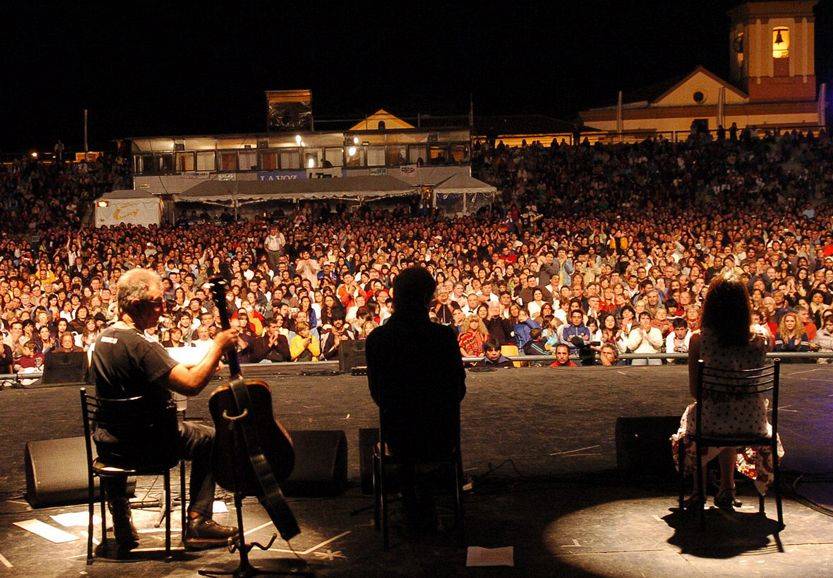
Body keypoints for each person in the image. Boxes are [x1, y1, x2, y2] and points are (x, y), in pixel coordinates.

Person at [89, 268, 239, 553]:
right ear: (136, 305)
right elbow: (191, 385)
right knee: (210, 438)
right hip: (150, 446)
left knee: (124, 426)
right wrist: (218, 346)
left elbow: (156, 370)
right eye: (157, 302)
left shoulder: (103, 339)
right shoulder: (142, 345)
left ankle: (121, 520)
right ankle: (198, 522)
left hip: (111, 445)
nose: (163, 308)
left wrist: (203, 363)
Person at [671, 273, 783, 512]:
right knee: (732, 412)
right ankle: (727, 488)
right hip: (752, 420)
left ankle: (699, 491)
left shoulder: (699, 339)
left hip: (714, 420)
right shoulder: (761, 338)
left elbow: (695, 391)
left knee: (699, 418)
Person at [366, 266, 466, 532]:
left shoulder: (378, 339)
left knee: (405, 441)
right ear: (428, 299)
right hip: (441, 437)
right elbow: (458, 390)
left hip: (400, 438)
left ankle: (411, 501)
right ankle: (427, 497)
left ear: (395, 297)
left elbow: (378, 394)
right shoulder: (444, 338)